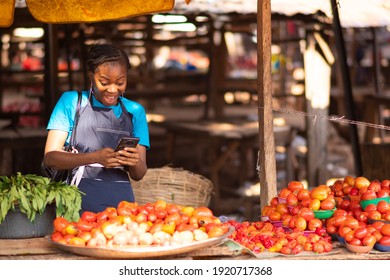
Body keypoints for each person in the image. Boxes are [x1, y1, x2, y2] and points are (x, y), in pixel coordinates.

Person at [43, 44, 149, 213]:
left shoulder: (135, 111)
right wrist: (94, 157)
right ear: (91, 76)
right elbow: (50, 158)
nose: (113, 89)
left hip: (122, 208)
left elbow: (139, 174)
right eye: (104, 82)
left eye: (120, 82)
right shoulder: (72, 102)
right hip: (76, 205)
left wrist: (134, 161)